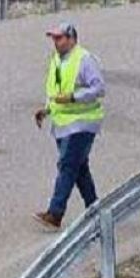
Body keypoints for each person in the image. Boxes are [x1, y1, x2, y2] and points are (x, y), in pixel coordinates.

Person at [33, 21, 106, 228]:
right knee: (79, 168)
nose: (56, 42)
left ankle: (55, 213)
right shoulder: (56, 60)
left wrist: (74, 97)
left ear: (71, 39)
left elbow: (99, 88)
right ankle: (95, 209)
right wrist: (46, 110)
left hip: (83, 123)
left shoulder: (84, 59)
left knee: (67, 165)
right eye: (54, 38)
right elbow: (55, 91)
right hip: (63, 124)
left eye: (59, 38)